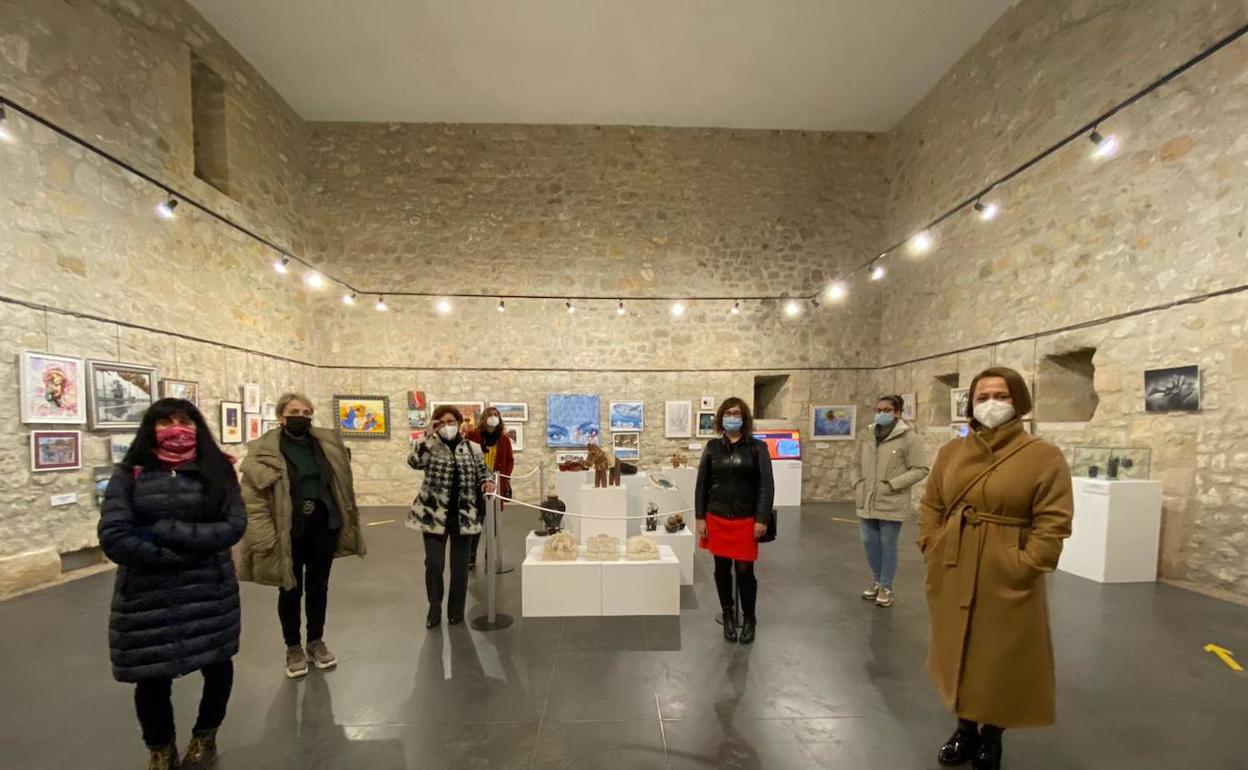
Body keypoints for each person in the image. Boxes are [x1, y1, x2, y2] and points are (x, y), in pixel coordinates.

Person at [918, 367, 1073, 770]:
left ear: (1018, 401)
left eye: (1000, 395)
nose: (991, 403)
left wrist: (1025, 565)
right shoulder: (952, 453)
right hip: (954, 560)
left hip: (1005, 567)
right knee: (960, 648)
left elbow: (1054, 521)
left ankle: (992, 735)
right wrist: (931, 543)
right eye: (983, 396)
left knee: (1001, 655)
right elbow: (932, 503)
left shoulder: (1043, 456)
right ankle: (964, 727)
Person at [98, 398, 246, 770]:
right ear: (151, 427)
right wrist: (160, 556)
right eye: (166, 421)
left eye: (185, 420)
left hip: (209, 589)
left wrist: (164, 532)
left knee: (216, 663)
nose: (176, 427)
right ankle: (160, 749)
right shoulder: (130, 474)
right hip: (147, 592)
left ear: (197, 425)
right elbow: (114, 534)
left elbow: (232, 526)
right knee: (151, 676)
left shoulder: (218, 470)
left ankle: (204, 737)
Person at [237, 393, 365, 679]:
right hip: (288, 530)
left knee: (319, 587)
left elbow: (339, 483)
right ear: (281, 415)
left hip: (323, 526)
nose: (302, 416)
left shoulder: (324, 445)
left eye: (307, 411)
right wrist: (264, 537)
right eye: (295, 411)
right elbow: (253, 500)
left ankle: (316, 641)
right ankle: (293, 647)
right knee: (290, 588)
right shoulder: (264, 451)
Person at [407, 405, 497, 628]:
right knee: (434, 565)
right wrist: (427, 436)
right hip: (433, 515)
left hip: (463, 515)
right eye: (442, 422)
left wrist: (487, 481)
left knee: (460, 567)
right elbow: (414, 461)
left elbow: (482, 470)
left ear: (459, 423)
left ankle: (456, 611)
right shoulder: (431, 446)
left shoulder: (472, 447)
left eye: (451, 421)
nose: (447, 426)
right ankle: (434, 608)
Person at [694, 397, 775, 644]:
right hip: (717, 517)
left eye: (736, 413)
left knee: (744, 571)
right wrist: (700, 516)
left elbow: (766, 486)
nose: (732, 417)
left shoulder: (757, 448)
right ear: (720, 417)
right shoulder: (712, 448)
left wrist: (761, 518)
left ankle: (749, 618)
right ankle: (728, 614)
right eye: (728, 413)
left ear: (744, 418)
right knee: (721, 570)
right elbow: (702, 485)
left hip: (745, 520)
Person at [853, 394, 929, 607]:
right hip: (866, 498)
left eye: (887, 410)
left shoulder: (909, 438)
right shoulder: (866, 435)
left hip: (891, 499)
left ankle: (886, 586)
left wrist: (892, 485)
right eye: (878, 410)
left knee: (888, 544)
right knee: (869, 543)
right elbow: (856, 464)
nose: (881, 413)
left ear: (897, 412)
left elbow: (920, 469)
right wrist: (857, 484)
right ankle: (877, 580)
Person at [464, 406, 515, 571]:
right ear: (484, 418)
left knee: (493, 523)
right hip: (475, 484)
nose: (493, 417)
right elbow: (464, 457)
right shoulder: (472, 436)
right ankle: (470, 556)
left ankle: (489, 554)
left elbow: (509, 461)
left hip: (496, 485)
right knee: (476, 521)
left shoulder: (504, 439)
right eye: (490, 415)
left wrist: (504, 480)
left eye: (496, 415)